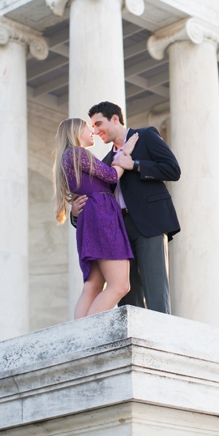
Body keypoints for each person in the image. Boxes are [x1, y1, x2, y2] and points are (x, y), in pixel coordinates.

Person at [71, 101, 180, 314]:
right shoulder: (105, 162)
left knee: (155, 286)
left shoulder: (146, 136)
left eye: (99, 123)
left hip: (149, 222)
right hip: (117, 230)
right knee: (127, 292)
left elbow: (172, 169)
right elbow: (94, 202)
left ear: (115, 118)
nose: (95, 130)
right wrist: (76, 215)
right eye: (92, 126)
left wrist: (135, 165)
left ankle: (161, 338)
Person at [54, 117, 139, 318]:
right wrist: (125, 152)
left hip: (90, 218)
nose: (92, 131)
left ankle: (79, 336)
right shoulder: (77, 152)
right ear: (75, 132)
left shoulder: (67, 157)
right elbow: (111, 176)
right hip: (102, 216)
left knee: (93, 285)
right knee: (120, 285)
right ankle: (87, 334)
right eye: (87, 128)